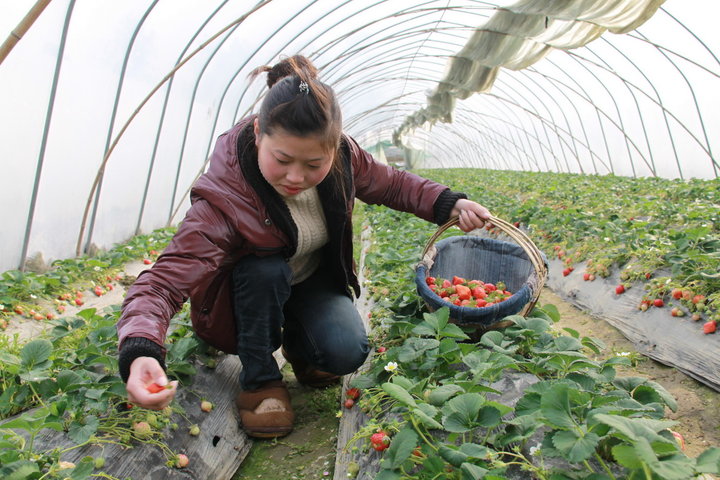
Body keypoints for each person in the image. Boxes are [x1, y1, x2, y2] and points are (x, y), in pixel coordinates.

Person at [116, 55, 491, 439]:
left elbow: (393, 184)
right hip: (246, 298)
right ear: (259, 133)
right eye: (282, 160)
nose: (296, 177)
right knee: (265, 268)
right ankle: (259, 381)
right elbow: (163, 283)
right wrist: (142, 349)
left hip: (309, 279)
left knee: (345, 352)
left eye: (314, 164)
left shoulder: (345, 156)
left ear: (335, 148)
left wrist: (449, 203)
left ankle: (304, 347)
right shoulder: (225, 197)